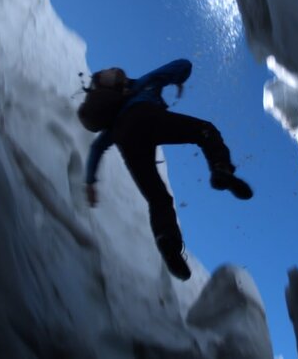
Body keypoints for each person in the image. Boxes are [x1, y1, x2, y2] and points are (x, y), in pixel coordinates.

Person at [83, 58, 253, 280]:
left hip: (125, 138)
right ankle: (221, 169)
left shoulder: (114, 114)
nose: (115, 69)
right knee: (205, 131)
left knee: (158, 198)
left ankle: (167, 242)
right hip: (147, 116)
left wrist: (90, 181)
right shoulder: (143, 84)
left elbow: (97, 147)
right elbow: (183, 64)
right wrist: (177, 80)